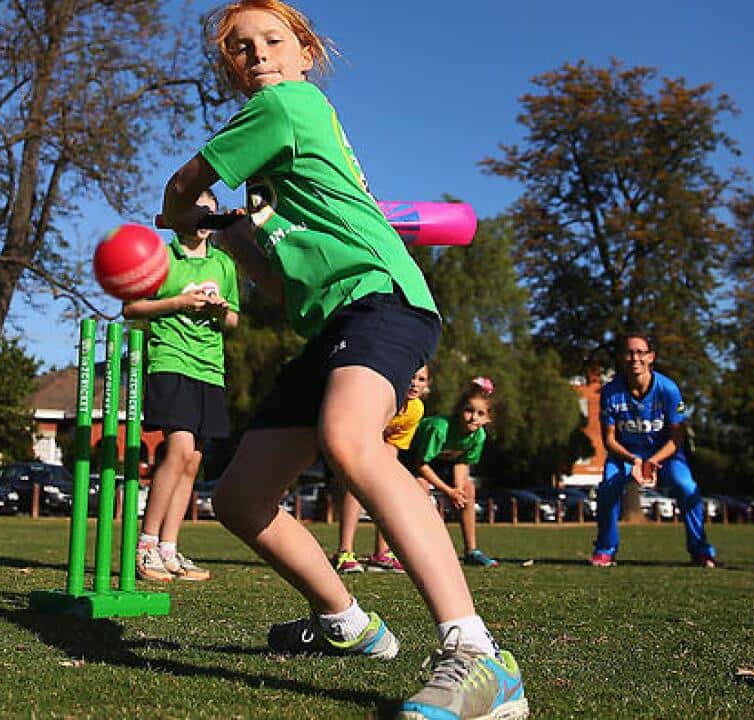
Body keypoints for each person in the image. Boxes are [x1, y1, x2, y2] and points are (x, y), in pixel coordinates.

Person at [158, 3, 528, 718]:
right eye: (239, 48)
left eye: (272, 40)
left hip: (383, 301)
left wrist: (181, 214)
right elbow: (278, 283)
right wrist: (231, 236)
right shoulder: (270, 173)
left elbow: (180, 185)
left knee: (350, 440)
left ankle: (479, 654)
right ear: (228, 67)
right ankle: (346, 622)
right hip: (331, 324)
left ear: (305, 52)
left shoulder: (288, 105)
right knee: (238, 498)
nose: (256, 54)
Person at [122, 189, 239, 582]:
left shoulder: (223, 264)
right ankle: (146, 545)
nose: (204, 218)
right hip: (170, 359)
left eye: (211, 212)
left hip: (210, 368)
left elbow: (235, 321)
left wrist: (220, 310)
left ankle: (170, 550)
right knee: (178, 449)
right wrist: (177, 303)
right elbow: (131, 308)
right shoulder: (161, 258)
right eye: (197, 210)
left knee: (193, 460)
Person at [591, 333, 716, 568]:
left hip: (665, 454)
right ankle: (605, 549)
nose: (634, 358)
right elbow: (609, 440)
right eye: (629, 353)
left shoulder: (669, 389)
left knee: (687, 487)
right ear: (621, 358)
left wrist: (652, 462)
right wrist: (636, 461)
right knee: (608, 487)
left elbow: (676, 439)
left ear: (651, 357)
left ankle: (701, 550)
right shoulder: (610, 391)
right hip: (625, 454)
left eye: (640, 352)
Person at [331, 365, 430, 575]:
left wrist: (386, 475)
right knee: (356, 484)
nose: (415, 383)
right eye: (411, 377)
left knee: (386, 487)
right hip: (353, 437)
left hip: (380, 444)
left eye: (421, 379)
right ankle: (344, 552)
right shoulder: (384, 397)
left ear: (427, 385)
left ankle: (381, 554)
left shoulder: (416, 409)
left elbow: (392, 446)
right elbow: (361, 432)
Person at [409, 377, 500, 568]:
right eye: (469, 411)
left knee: (468, 489)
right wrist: (447, 491)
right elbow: (420, 464)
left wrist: (457, 489)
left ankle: (471, 551)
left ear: (487, 418)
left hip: (443, 463)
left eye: (480, 413)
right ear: (459, 410)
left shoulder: (479, 435)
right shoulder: (438, 428)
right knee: (420, 487)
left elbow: (462, 462)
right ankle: (423, 549)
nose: (474, 417)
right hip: (414, 460)